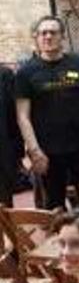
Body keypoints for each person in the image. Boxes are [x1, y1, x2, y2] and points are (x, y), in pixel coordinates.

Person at [16, 15, 79, 209]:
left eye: (53, 32)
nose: (48, 37)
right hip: (47, 152)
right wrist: (34, 151)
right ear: (37, 37)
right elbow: (22, 116)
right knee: (54, 207)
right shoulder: (26, 73)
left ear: (62, 37)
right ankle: (59, 239)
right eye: (43, 33)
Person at [0, 64, 21, 206]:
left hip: (2, 154)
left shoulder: (5, 75)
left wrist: (18, 152)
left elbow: (14, 116)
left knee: (4, 206)